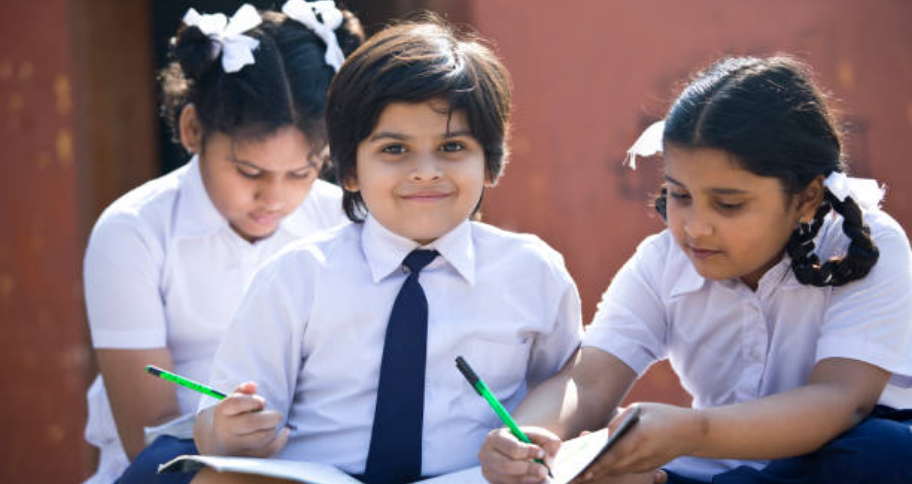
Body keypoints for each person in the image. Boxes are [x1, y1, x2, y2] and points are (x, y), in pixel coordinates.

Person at [478, 55, 912, 484]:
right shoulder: (662, 261)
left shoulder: (867, 244)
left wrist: (692, 430)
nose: (694, 228)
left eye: (728, 204)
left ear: (806, 199)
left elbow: (840, 399)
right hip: (710, 472)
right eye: (680, 196)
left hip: (836, 465)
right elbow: (588, 381)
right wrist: (529, 438)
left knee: (885, 449)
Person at [190, 16, 584, 484]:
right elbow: (211, 425)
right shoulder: (296, 276)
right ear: (350, 170)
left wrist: (534, 436)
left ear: (492, 163)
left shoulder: (532, 272)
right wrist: (228, 430)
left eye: (452, 146)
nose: (424, 171)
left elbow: (573, 386)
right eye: (394, 150)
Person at [81, 2, 363, 482]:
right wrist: (214, 437)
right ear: (193, 130)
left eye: (303, 172)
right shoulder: (132, 232)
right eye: (250, 171)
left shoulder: (341, 220)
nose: (274, 197)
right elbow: (150, 446)